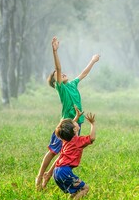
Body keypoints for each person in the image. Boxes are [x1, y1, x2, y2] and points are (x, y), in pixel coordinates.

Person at [35, 36, 100, 190]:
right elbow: (58, 68)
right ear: (55, 82)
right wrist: (55, 51)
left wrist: (92, 61)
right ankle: (40, 175)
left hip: (77, 123)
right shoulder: (61, 88)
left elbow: (83, 73)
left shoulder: (72, 84)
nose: (62, 74)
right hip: (65, 125)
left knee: (66, 150)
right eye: (58, 75)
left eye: (63, 73)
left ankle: (49, 174)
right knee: (53, 151)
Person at [53, 106, 96, 200]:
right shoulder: (78, 141)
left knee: (76, 190)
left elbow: (68, 128)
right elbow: (92, 138)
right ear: (75, 129)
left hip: (56, 171)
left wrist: (76, 117)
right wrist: (92, 124)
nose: (75, 122)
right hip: (64, 171)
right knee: (85, 188)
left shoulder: (65, 139)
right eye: (74, 122)